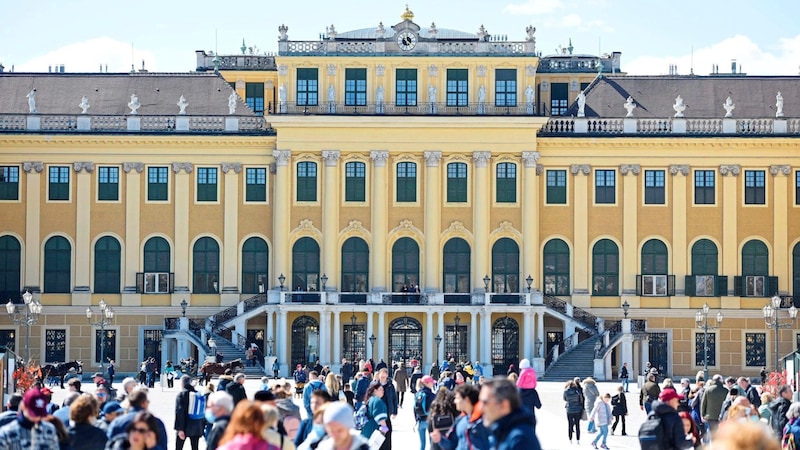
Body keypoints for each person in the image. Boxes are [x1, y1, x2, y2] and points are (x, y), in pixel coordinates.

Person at [480, 377, 541, 450]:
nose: (480, 408)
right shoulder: (499, 430)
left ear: (504, 405)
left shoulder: (520, 439)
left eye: (485, 402)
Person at [431, 383, 489, 450]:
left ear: (467, 399)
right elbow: (452, 445)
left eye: (457, 398)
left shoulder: (483, 422)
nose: (455, 401)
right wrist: (440, 439)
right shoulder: (460, 420)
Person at [174, 375, 205, 450]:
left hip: (185, 426)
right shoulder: (198, 393)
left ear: (182, 383)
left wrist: (180, 429)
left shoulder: (182, 394)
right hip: (197, 425)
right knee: (195, 447)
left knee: (179, 447)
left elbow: (179, 412)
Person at [376, 367, 398, 450]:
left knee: (388, 433)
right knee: (379, 434)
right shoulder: (375, 385)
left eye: (385, 377)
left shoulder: (390, 386)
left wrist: (395, 411)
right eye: (382, 377)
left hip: (387, 411)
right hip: (377, 413)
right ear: (379, 375)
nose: (383, 379)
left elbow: (394, 399)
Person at [414, 375, 436, 450]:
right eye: (431, 382)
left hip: (420, 421)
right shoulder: (432, 395)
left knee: (422, 443)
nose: (433, 384)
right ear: (427, 383)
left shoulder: (417, 394)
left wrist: (416, 420)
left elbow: (414, 409)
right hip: (429, 421)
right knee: (432, 443)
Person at [563, 379, 584, 444]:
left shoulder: (566, 391)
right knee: (577, 425)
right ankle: (578, 439)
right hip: (577, 409)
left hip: (569, 409)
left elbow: (564, 399)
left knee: (570, 424)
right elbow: (581, 400)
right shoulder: (577, 391)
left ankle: (570, 439)